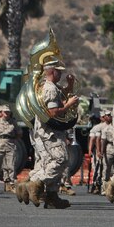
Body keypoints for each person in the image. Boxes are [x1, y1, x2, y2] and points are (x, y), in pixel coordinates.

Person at [26, 59, 79, 209]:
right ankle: (37, 183)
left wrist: (70, 85)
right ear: (52, 71)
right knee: (61, 160)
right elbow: (53, 112)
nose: (61, 73)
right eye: (59, 71)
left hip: (53, 132)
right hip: (50, 132)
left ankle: (51, 196)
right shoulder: (49, 89)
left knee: (54, 162)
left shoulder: (52, 87)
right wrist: (68, 105)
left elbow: (62, 94)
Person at [87, 115, 103, 194]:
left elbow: (92, 140)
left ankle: (96, 185)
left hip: (97, 151)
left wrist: (89, 150)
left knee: (96, 168)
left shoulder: (95, 128)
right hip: (105, 151)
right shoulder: (105, 126)